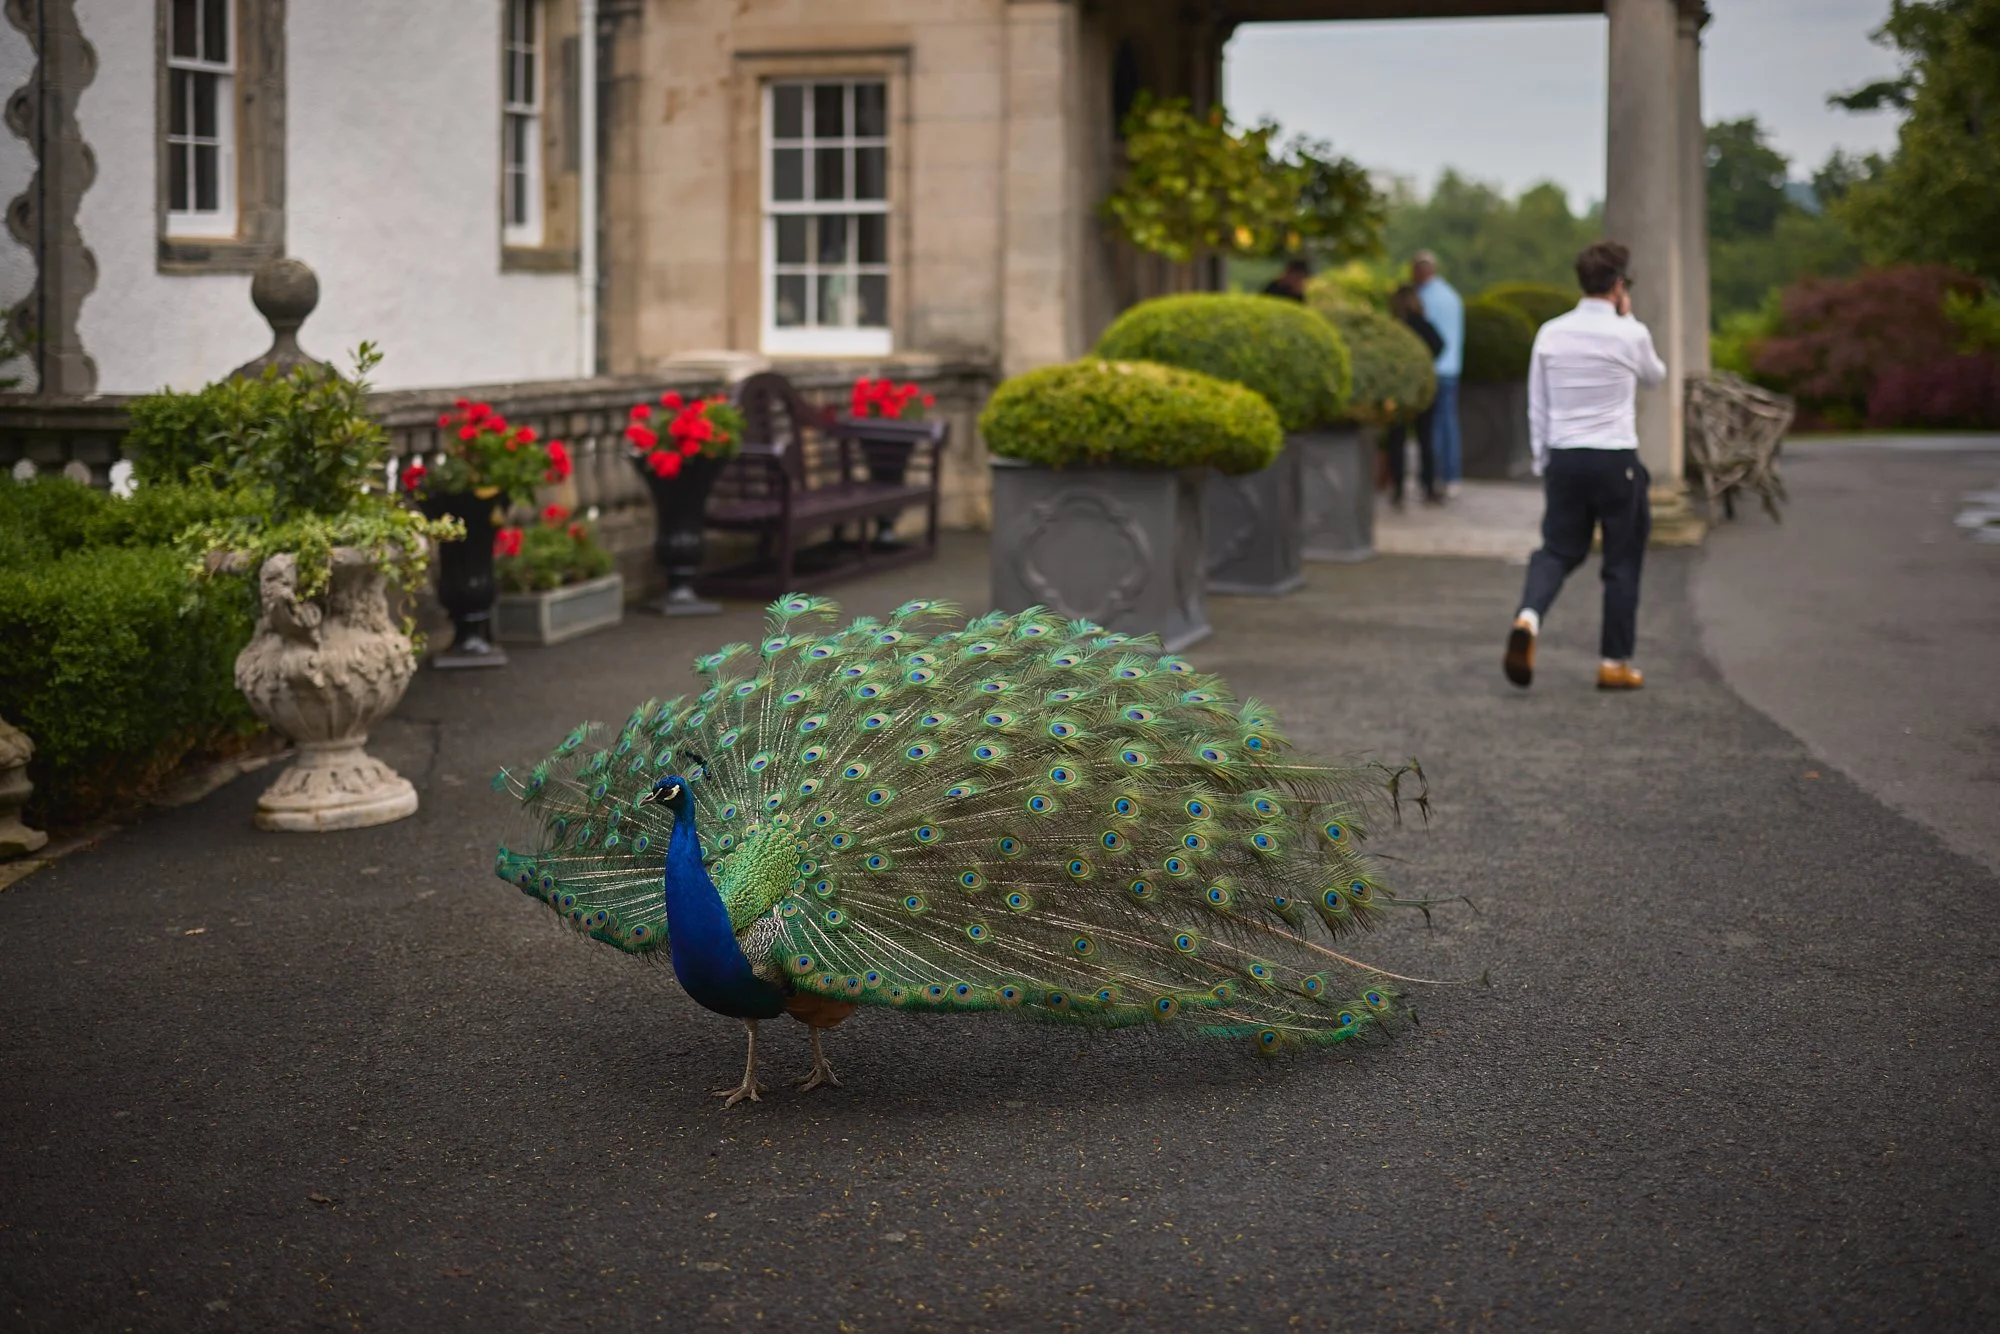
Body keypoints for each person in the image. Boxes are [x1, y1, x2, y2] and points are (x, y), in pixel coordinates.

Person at [1503, 240, 1666, 692]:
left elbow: (1538, 403)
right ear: (1617, 286)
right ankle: (1614, 662)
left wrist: (1543, 459)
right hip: (1616, 459)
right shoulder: (1630, 334)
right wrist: (1629, 317)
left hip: (1565, 457)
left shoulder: (1551, 333)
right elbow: (1656, 376)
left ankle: (1528, 618)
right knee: (1621, 561)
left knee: (1557, 550)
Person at [1385, 284, 1444, 506]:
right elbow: (1440, 345)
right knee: (1426, 439)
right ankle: (1428, 487)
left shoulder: (1394, 329)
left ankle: (1398, 489)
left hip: (1399, 391)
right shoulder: (1424, 326)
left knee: (1397, 440)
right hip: (1423, 389)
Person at [1412, 250, 1464, 494]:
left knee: (1431, 427)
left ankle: (1433, 476)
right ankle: (1451, 475)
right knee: (1449, 424)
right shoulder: (1452, 296)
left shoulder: (1423, 298)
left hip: (1433, 367)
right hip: (1452, 367)